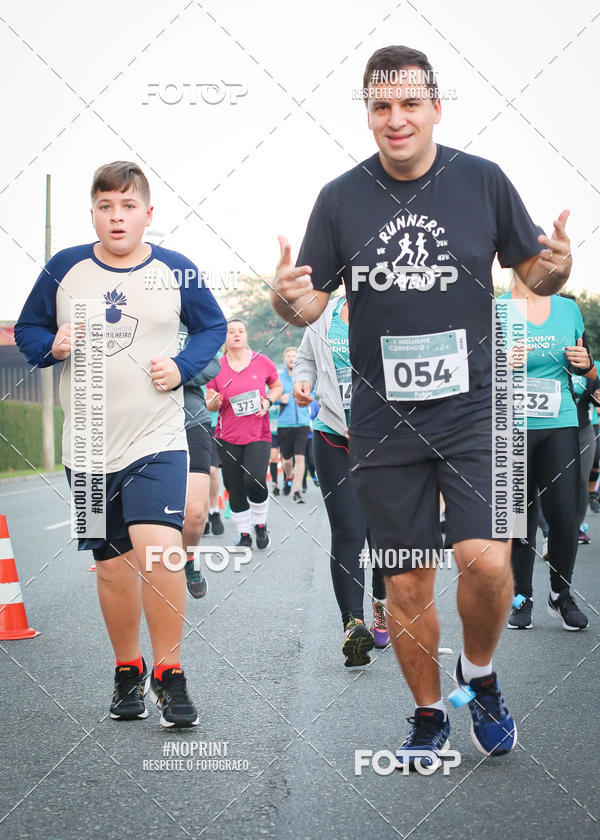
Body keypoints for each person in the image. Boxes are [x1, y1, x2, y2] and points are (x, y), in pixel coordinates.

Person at [271, 45, 572, 768]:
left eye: (411, 103)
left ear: (436, 106)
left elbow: (538, 270)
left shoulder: (483, 182)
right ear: (368, 115)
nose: (396, 118)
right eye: (381, 106)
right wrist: (288, 300)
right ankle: (431, 713)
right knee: (406, 577)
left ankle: (481, 673)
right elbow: (309, 299)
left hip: (476, 412)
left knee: (488, 562)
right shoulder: (340, 199)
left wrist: (557, 266)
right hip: (383, 421)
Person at [15, 161, 227, 727]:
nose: (117, 217)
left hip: (155, 436)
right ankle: (127, 669)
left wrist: (181, 367)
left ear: (147, 214)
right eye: (106, 207)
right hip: (84, 443)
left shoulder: (176, 270)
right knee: (112, 567)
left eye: (128, 206)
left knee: (159, 550)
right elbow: (27, 330)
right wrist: (52, 344)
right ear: (93, 213)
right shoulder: (64, 269)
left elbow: (213, 327)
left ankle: (171, 673)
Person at [293, 294, 389, 666]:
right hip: (333, 432)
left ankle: (380, 603)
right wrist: (303, 381)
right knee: (348, 530)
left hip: (385, 436)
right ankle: (354, 625)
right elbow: (305, 359)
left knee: (381, 534)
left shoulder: (393, 308)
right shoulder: (323, 314)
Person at [503, 282, 595, 631]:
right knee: (518, 519)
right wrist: (500, 360)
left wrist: (585, 364)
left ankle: (560, 594)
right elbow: (476, 371)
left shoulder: (568, 309)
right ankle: (520, 597)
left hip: (559, 422)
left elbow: (586, 371)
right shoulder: (497, 309)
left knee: (564, 516)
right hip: (511, 425)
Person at [205, 320, 283, 548]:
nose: (236, 335)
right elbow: (209, 401)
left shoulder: (262, 361)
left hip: (258, 432)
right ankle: (244, 533)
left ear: (246, 335)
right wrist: (214, 402)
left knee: (255, 478)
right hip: (227, 435)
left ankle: (260, 523)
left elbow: (277, 387)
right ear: (225, 337)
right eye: (231, 332)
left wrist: (268, 401)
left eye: (240, 331)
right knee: (234, 485)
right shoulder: (217, 367)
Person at [178, 340, 221, 598]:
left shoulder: (190, 320)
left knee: (194, 514)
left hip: (192, 420)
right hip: (142, 425)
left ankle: (189, 559)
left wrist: (176, 372)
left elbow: (211, 363)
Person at [276, 347, 311, 503]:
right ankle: (289, 476)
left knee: (300, 457)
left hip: (302, 423)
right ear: (285, 359)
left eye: (294, 356)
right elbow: (269, 394)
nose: (291, 358)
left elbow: (313, 393)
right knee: (287, 460)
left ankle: (297, 492)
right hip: (285, 424)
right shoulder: (279, 378)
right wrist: (279, 399)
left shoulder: (303, 377)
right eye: (288, 356)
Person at [571, 369, 600, 544]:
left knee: (582, 478)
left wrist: (597, 397)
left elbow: (595, 397)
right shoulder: (553, 362)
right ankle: (549, 528)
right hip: (557, 429)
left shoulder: (589, 368)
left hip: (584, 429)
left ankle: (578, 526)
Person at [268, 402, 281, 495]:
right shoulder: (269, 393)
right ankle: (275, 483)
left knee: (286, 459)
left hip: (284, 430)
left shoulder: (287, 393)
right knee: (273, 457)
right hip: (272, 432)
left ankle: (287, 480)